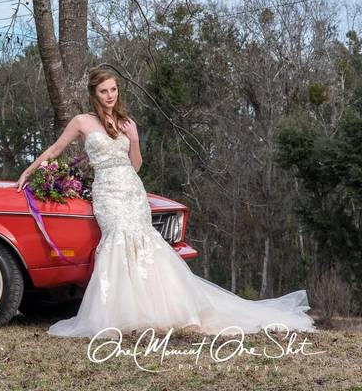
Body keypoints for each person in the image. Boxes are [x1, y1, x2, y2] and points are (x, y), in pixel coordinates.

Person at [16, 66, 316, 338]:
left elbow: (135, 165)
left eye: (114, 90)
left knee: (145, 244)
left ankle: (157, 310)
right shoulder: (82, 121)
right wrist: (29, 172)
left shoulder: (125, 122)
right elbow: (55, 149)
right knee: (117, 241)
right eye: (104, 91)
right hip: (107, 192)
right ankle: (120, 313)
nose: (110, 95)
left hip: (132, 190)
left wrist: (134, 139)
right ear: (94, 94)